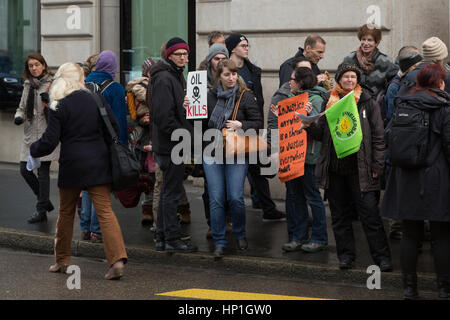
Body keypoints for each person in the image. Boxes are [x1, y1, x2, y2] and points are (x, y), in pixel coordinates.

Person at [29, 62, 127, 280]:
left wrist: (33, 149)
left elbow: (50, 141)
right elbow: (115, 128)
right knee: (105, 212)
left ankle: (62, 261)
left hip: (72, 164)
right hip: (99, 162)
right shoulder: (96, 98)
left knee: (65, 213)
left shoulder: (58, 104)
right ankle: (117, 260)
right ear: (79, 79)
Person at [307, 62, 392, 271]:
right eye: (346, 77)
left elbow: (379, 137)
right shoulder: (329, 100)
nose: (350, 80)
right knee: (339, 216)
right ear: (339, 79)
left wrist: (377, 166)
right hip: (335, 170)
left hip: (361, 170)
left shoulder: (367, 101)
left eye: (353, 77)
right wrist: (309, 124)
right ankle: (345, 256)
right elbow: (321, 135)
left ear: (358, 80)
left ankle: (382, 258)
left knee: (370, 216)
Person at [382, 64, 450, 299]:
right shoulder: (443, 107)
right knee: (441, 237)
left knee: (411, 235)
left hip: (406, 179)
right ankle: (444, 289)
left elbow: (389, 137)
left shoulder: (403, 103)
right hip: (436, 179)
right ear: (439, 82)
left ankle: (409, 289)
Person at [200, 59, 263, 259]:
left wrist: (240, 124)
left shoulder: (245, 97)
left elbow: (258, 123)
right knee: (216, 199)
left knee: (235, 197)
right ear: (219, 76)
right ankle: (219, 240)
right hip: (212, 152)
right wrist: (189, 108)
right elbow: (196, 124)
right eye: (227, 74)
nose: (231, 78)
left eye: (234, 74)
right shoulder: (208, 96)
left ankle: (240, 233)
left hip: (236, 152)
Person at [226, 33, 285, 221]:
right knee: (234, 172)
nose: (246, 48)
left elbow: (258, 101)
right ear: (233, 48)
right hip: (230, 130)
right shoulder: (226, 70)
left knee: (258, 169)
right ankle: (229, 217)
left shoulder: (253, 71)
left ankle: (268, 208)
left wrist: (258, 125)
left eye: (247, 45)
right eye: (242, 45)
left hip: (251, 128)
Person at [269, 67, 328, 253]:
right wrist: (282, 116)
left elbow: (318, 129)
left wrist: (308, 119)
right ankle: (299, 237)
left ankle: (319, 238)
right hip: (292, 155)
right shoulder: (293, 99)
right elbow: (290, 126)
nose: (290, 82)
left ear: (301, 82)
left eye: (293, 79)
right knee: (296, 197)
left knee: (313, 197)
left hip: (308, 156)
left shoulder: (316, 99)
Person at [150, 37, 197, 253]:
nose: (184, 58)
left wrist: (183, 104)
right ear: (168, 55)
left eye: (186, 54)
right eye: (179, 54)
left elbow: (172, 109)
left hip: (172, 143)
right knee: (170, 193)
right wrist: (184, 135)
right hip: (170, 145)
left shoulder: (174, 76)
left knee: (169, 191)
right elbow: (163, 117)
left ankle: (162, 237)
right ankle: (172, 238)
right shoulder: (164, 78)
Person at [80, 50, 128, 242]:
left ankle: (84, 227)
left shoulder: (84, 85)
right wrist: (122, 145)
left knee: (86, 186)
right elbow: (120, 121)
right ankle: (96, 230)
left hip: (84, 142)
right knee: (101, 187)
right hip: (105, 144)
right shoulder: (115, 88)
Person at [14, 53, 59, 224]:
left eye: (36, 65)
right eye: (31, 66)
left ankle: (41, 210)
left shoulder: (53, 84)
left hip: (46, 135)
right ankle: (45, 201)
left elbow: (59, 109)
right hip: (30, 134)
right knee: (24, 170)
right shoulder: (28, 85)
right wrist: (18, 117)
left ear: (43, 65)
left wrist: (51, 101)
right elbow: (22, 107)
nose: (34, 68)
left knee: (42, 173)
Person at [383, 46, 423, 240]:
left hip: (409, 148)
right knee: (398, 188)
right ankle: (396, 227)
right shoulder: (396, 86)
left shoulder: (411, 82)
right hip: (399, 148)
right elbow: (392, 118)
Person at [126, 57, 157, 226]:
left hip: (152, 135)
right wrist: (143, 120)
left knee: (153, 174)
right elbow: (132, 115)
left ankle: (151, 209)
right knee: (147, 174)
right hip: (143, 137)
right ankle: (147, 209)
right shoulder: (141, 87)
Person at [343, 24, 398, 97]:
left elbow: (394, 85)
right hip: (352, 104)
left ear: (376, 43)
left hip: (376, 105)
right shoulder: (350, 59)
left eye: (370, 40)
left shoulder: (386, 62)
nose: (366, 43)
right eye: (363, 39)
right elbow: (341, 82)